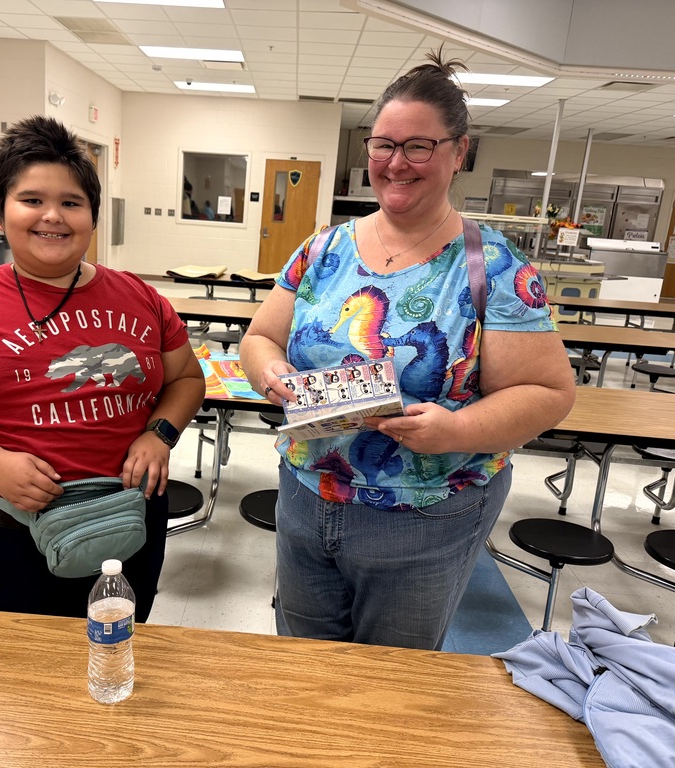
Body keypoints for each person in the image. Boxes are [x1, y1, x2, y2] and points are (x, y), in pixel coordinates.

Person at [239, 49, 575, 650]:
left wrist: (457, 428)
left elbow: (549, 393)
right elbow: (261, 338)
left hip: (426, 516)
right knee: (301, 666)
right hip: (306, 495)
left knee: (394, 683)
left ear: (458, 152)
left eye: (418, 146)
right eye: (382, 145)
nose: (396, 163)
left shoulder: (494, 269)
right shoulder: (322, 250)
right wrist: (274, 376)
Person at [0, 115, 205, 621]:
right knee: (13, 678)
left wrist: (159, 435)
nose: (52, 216)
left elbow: (186, 377)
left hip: (128, 521)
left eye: (71, 203)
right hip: (10, 530)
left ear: (92, 216)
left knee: (116, 652)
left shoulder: (142, 297)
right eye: (32, 200)